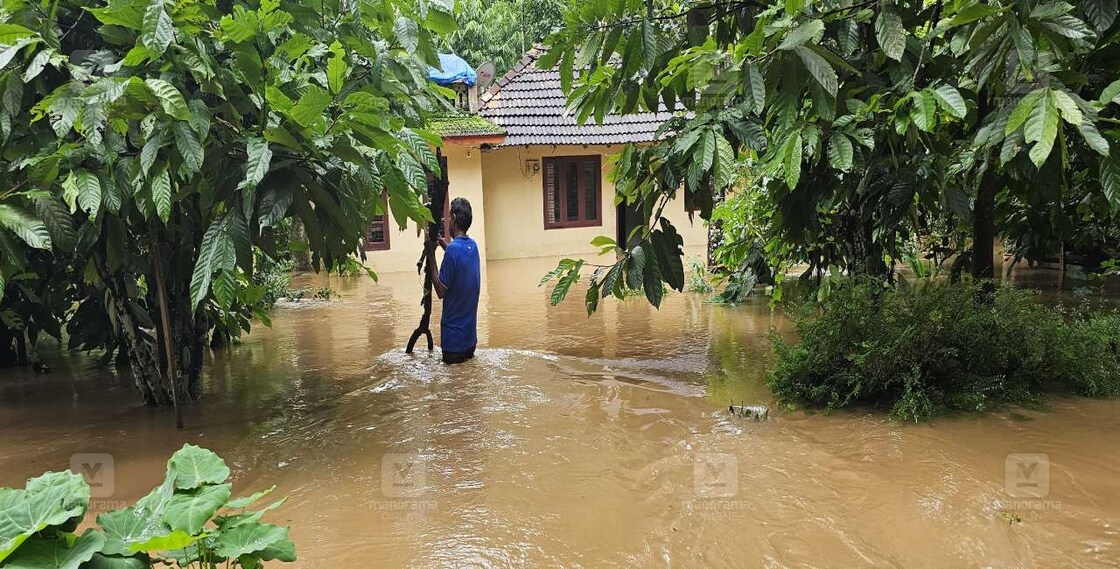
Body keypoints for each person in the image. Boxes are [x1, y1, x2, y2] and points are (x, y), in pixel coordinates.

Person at [425, 197, 480, 364]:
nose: (447, 220)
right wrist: (442, 243)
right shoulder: (472, 246)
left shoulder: (453, 252)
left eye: (449, 216)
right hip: (470, 340)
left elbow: (440, 291)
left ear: (454, 219)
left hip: (453, 341)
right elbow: (457, 257)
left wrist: (430, 254)